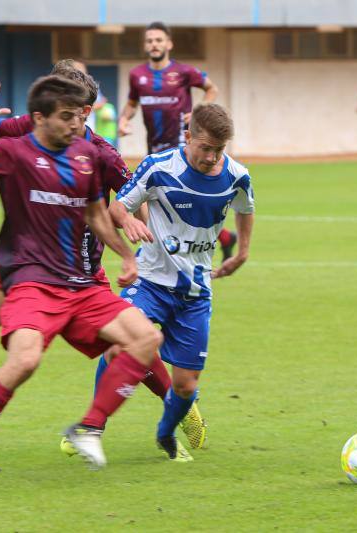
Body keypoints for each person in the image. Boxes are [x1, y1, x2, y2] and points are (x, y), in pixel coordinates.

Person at [0, 61, 204, 455]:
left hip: (79, 268)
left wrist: (138, 232)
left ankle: (179, 405)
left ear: (84, 110)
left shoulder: (101, 154)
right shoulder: (33, 127)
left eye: (74, 106)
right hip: (23, 259)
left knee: (123, 344)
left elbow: (133, 199)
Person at [0, 75, 163, 488]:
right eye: (67, 117)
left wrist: (126, 256)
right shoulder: (14, 153)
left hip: (83, 285)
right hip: (33, 282)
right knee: (25, 360)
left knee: (145, 339)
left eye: (79, 116)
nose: (76, 124)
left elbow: (94, 215)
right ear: (39, 118)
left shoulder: (87, 156)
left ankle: (88, 428)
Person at [102, 103, 255, 461]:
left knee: (186, 386)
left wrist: (243, 251)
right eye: (205, 148)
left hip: (196, 292)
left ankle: (165, 433)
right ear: (188, 137)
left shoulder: (236, 175)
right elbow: (117, 208)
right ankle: (93, 426)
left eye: (219, 150)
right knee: (117, 342)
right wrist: (129, 223)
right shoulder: (158, 168)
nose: (211, 157)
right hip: (151, 281)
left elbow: (246, 208)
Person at [118, 21, 236, 261]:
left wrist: (199, 110)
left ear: (169, 44)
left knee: (171, 202)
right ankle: (222, 238)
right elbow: (132, 103)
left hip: (183, 148)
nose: (154, 44)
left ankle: (155, 248)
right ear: (145, 45)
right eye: (150, 40)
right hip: (155, 148)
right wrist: (123, 120)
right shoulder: (137, 75)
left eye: (159, 40)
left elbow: (211, 88)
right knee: (157, 200)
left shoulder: (184, 72)